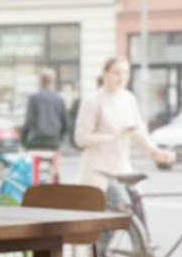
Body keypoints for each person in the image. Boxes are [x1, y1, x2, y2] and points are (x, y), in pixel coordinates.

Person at [75, 56, 174, 200]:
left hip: (123, 170)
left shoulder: (129, 99)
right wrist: (111, 136)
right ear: (105, 74)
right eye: (116, 72)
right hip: (98, 173)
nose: (122, 77)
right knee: (116, 215)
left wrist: (155, 152)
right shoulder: (93, 101)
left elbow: (138, 133)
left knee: (137, 215)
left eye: (125, 73)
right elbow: (80, 138)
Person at [21, 68, 69, 150]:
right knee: (52, 162)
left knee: (36, 161)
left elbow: (29, 121)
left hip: (37, 140)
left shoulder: (34, 98)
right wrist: (60, 138)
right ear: (53, 81)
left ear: (40, 81)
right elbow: (65, 122)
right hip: (54, 140)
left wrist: (24, 140)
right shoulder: (59, 99)